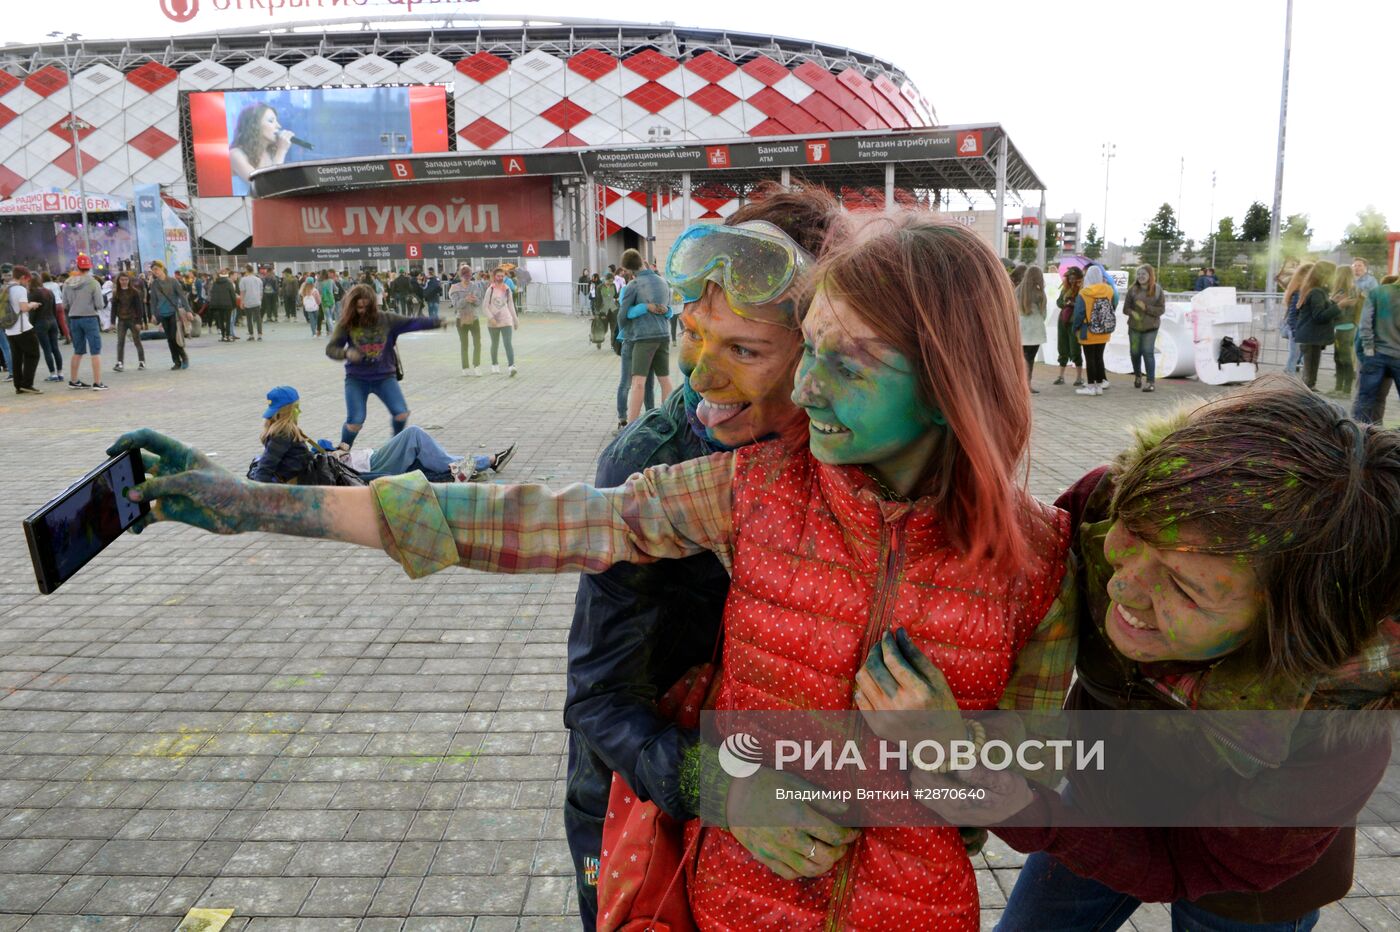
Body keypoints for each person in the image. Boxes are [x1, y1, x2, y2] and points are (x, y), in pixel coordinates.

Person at [114, 212, 1075, 931]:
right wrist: (262, 506)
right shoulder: (753, 489)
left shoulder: (1044, 562)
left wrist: (957, 755)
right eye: (809, 350)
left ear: (956, 380)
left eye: (848, 362)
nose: (807, 386)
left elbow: (1039, 819)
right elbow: (536, 521)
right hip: (731, 899)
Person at [902, 377, 1399, 931]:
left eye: (1184, 588)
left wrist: (1019, 811)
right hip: (1095, 805)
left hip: (1242, 887)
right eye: (1133, 536)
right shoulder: (1106, 504)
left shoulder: (1336, 717)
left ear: (1288, 623)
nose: (1124, 588)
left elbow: (1183, 867)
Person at [565, 186, 839, 928]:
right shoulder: (650, 460)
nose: (700, 377)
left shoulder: (853, 451)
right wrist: (720, 789)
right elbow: (597, 698)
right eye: (693, 333)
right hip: (641, 806)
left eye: (745, 349)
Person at [249, 385, 516, 485]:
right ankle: (483, 462)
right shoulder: (283, 435)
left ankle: (483, 462)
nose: (300, 410)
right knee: (414, 435)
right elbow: (267, 469)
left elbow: (275, 463)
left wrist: (326, 449)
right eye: (297, 407)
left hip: (356, 461)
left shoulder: (284, 433)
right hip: (364, 466)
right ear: (289, 410)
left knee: (426, 461)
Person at [326, 283, 446, 449]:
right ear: (352, 306)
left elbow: (414, 322)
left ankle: (394, 447)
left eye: (366, 307)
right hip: (356, 379)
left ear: (373, 305)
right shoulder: (346, 324)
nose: (362, 311)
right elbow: (331, 349)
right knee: (355, 422)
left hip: (384, 377)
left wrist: (439, 322)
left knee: (401, 414)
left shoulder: (387, 320)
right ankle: (342, 452)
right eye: (358, 307)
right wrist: (346, 353)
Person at [619, 248, 673, 422]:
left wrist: (623, 332)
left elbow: (623, 314)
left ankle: (631, 426)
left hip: (643, 338)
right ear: (642, 261)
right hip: (664, 336)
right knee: (665, 380)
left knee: (638, 383)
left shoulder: (633, 286)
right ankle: (666, 419)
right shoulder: (663, 282)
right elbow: (668, 311)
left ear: (627, 270)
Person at [1354, 273, 1400, 424]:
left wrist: (1368, 351)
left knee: (1365, 400)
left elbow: (1365, 324)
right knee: (1375, 399)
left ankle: (1359, 438)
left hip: (1376, 353)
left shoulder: (1378, 292)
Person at [61, 254, 107, 390]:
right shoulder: (93, 282)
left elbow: (65, 304)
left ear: (77, 266)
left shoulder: (67, 283)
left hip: (73, 319)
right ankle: (97, 382)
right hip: (90, 318)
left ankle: (74, 381)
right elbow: (99, 304)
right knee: (95, 351)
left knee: (78, 351)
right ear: (89, 267)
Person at [1293, 261, 1340, 390]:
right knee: (1310, 369)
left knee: (1311, 367)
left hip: (1312, 336)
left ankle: (1309, 389)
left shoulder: (1314, 290)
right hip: (1311, 336)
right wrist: (1339, 306)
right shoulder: (1317, 292)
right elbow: (1319, 316)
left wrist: (1333, 302)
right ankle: (1306, 392)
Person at [1072, 266, 1115, 396]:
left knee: (1089, 358)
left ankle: (1091, 386)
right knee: (1098, 357)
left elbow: (1079, 313)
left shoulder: (1084, 293)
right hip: (1104, 330)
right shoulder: (1109, 290)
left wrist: (1075, 328)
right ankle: (1099, 385)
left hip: (1088, 330)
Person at [229, 102, 294, 187]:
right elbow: (264, 186)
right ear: (254, 125)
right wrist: (282, 150)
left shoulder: (268, 151)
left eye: (277, 121)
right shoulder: (235, 154)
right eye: (271, 121)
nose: (278, 126)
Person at [1124, 263, 1165, 392]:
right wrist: (1132, 312)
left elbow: (1161, 310)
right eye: (1139, 274)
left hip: (1151, 327)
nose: (1141, 276)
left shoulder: (1157, 290)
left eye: (1144, 274)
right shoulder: (1132, 290)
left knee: (1147, 352)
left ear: (1150, 275)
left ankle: (1150, 382)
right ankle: (1137, 376)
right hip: (1134, 327)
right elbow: (1125, 309)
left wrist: (1146, 308)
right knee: (1135, 353)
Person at [149, 261, 192, 371]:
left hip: (174, 313)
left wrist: (188, 310)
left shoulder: (173, 281)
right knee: (169, 339)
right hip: (162, 314)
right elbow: (153, 300)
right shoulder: (155, 284)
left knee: (174, 337)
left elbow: (182, 296)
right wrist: (153, 314)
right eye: (153, 270)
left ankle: (184, 357)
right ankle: (176, 361)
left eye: (156, 269)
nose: (155, 272)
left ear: (162, 268)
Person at [5, 265, 42, 394]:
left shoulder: (5, 288)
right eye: (27, 280)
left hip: (9, 329)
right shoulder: (19, 289)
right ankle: (27, 383)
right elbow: (24, 308)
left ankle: (18, 385)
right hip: (22, 328)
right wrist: (32, 304)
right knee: (33, 354)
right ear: (22, 277)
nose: (27, 282)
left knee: (17, 357)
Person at [1330, 264, 1362, 398]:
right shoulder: (1345, 290)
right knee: (1338, 358)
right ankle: (1338, 388)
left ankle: (1346, 390)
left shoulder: (1348, 291)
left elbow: (1341, 312)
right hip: (1342, 328)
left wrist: (1332, 303)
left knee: (1345, 359)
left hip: (1346, 328)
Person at [448, 265, 485, 376]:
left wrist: (474, 300)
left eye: (469, 275)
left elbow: (479, 302)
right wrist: (466, 299)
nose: (467, 278)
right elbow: (456, 304)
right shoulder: (455, 287)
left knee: (477, 343)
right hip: (461, 319)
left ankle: (477, 365)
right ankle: (465, 367)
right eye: (465, 276)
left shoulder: (475, 286)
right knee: (464, 344)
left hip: (474, 318)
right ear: (461, 275)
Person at [482, 267, 519, 376]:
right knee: (495, 343)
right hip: (493, 321)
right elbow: (484, 307)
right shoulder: (490, 289)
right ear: (494, 277)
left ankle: (511, 366)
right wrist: (491, 318)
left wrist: (515, 320)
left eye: (502, 276)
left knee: (508, 343)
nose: (500, 278)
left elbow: (511, 305)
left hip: (506, 319)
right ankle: (494, 365)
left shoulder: (507, 289)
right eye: (498, 276)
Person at [1016, 265, 1047, 394]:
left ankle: (1018, 384)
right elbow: (1044, 313)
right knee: (1031, 358)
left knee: (1019, 358)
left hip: (1021, 327)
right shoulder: (1040, 292)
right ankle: (1028, 384)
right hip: (1036, 328)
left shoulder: (1017, 290)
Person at [1280, 261, 1314, 376]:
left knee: (1297, 353)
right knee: (1295, 354)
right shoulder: (1298, 293)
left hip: (1299, 327)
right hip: (1296, 328)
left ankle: (1290, 372)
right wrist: (1295, 330)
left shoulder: (1300, 291)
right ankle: (1290, 374)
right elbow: (1293, 314)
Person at [110, 272, 147, 372]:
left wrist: (139, 321)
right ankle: (120, 363)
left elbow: (139, 308)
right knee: (120, 342)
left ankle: (142, 361)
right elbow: (113, 309)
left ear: (129, 281)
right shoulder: (116, 292)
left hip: (133, 320)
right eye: (122, 280)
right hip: (121, 320)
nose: (124, 282)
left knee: (137, 341)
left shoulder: (134, 292)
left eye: (126, 280)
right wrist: (112, 322)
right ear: (119, 281)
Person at [1054, 266, 1084, 387]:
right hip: (1063, 321)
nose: (1071, 280)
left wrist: (1073, 303)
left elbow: (1083, 305)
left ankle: (1079, 377)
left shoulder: (1082, 290)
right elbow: (1059, 302)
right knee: (1062, 348)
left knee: (1075, 349)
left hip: (1074, 322)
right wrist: (1065, 302)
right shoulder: (1065, 289)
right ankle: (1061, 376)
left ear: (1079, 278)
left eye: (1074, 278)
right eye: (1069, 278)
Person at [31, 273, 63, 383]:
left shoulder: (33, 293)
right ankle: (60, 373)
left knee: (47, 349)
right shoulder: (49, 292)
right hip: (52, 321)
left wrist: (31, 326)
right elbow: (54, 309)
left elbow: (32, 313)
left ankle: (52, 374)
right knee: (55, 348)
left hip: (41, 323)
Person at [208, 269, 237, 342]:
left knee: (220, 320)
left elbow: (213, 294)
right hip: (228, 304)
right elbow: (233, 295)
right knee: (228, 320)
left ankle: (223, 336)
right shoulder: (229, 283)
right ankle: (228, 336)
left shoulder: (215, 283)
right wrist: (234, 304)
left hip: (218, 305)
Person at [238, 265, 264, 341]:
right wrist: (260, 300)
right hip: (257, 302)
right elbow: (261, 292)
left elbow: (242, 292)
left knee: (249, 319)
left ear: (246, 270)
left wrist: (241, 302)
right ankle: (259, 335)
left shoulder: (243, 280)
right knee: (258, 318)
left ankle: (251, 335)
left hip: (247, 302)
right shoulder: (258, 280)